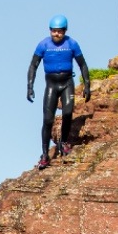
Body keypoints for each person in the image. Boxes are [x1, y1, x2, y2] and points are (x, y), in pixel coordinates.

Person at [27, 15, 91, 169]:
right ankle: (44, 155)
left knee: (68, 113)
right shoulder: (43, 45)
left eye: (59, 32)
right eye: (54, 31)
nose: (56, 34)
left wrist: (87, 85)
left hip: (67, 82)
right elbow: (33, 66)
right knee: (48, 120)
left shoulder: (72, 44)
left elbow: (82, 64)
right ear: (50, 31)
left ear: (64, 31)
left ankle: (64, 143)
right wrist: (30, 86)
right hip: (51, 84)